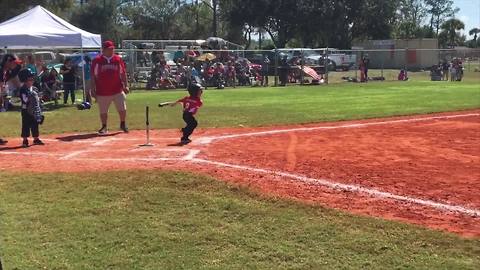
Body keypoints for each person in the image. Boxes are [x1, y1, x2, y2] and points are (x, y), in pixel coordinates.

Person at [91, 40, 129, 134]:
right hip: (102, 91)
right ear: (103, 50)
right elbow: (93, 76)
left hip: (117, 89)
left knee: (122, 109)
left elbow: (123, 73)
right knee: (103, 111)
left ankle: (122, 124)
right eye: (109, 49)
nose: (111, 50)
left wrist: (126, 85)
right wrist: (92, 89)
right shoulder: (97, 61)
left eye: (112, 49)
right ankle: (104, 126)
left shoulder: (117, 59)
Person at [18, 69, 44, 148]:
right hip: (26, 110)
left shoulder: (35, 89)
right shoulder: (23, 89)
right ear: (25, 80)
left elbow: (38, 100)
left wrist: (39, 100)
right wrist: (31, 96)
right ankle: (25, 140)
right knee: (26, 124)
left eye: (32, 79)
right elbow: (25, 100)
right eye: (30, 79)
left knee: (35, 124)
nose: (32, 81)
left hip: (34, 110)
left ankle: (36, 138)